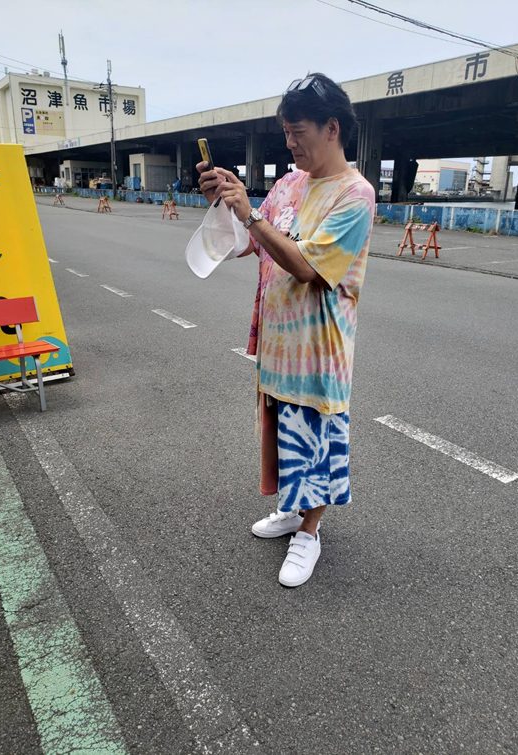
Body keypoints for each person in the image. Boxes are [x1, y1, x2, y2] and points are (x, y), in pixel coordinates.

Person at [197, 73, 375, 588]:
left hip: (318, 348)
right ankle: (292, 510)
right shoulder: (288, 184)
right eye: (286, 132)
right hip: (279, 342)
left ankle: (310, 533)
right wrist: (226, 202)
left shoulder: (355, 194)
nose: (290, 142)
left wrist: (250, 214)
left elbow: (307, 267)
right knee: (283, 432)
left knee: (316, 438)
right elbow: (251, 243)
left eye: (298, 132)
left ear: (331, 128)